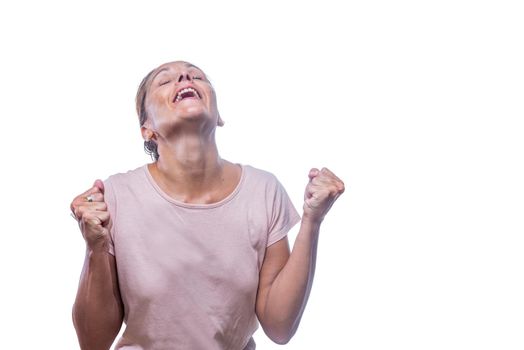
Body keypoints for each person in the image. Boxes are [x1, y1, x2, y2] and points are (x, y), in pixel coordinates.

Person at [70, 60, 345, 350]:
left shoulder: (263, 191)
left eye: (197, 76)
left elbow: (279, 327)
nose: (186, 77)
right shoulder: (116, 196)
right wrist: (95, 247)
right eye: (165, 81)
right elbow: (93, 343)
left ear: (219, 117)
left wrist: (312, 220)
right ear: (146, 129)